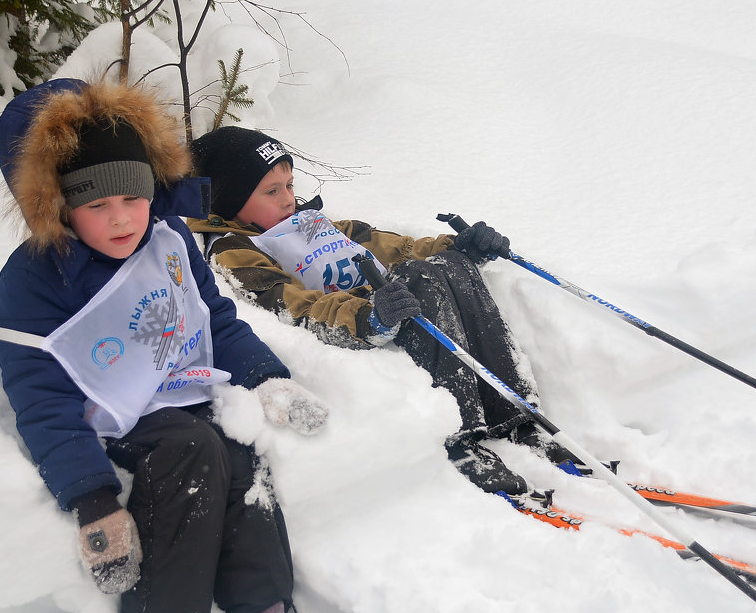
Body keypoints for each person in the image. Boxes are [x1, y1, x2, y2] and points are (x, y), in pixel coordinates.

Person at [0, 80, 350, 613]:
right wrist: (93, 499)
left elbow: (213, 320)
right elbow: (37, 394)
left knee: (237, 449)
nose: (124, 217)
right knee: (190, 447)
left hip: (175, 390)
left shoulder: (168, 242)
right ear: (55, 205)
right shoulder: (34, 280)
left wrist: (266, 379)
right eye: (98, 205)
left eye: (135, 196)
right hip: (102, 413)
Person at [188, 126, 569, 495]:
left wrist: (461, 247)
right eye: (272, 191)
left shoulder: (316, 226)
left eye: (289, 186)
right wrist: (368, 318)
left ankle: (518, 417)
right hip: (364, 325)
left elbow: (397, 249)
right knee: (419, 280)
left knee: (450, 266)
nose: (288, 199)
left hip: (395, 306)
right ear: (231, 203)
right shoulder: (236, 250)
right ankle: (460, 437)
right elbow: (295, 306)